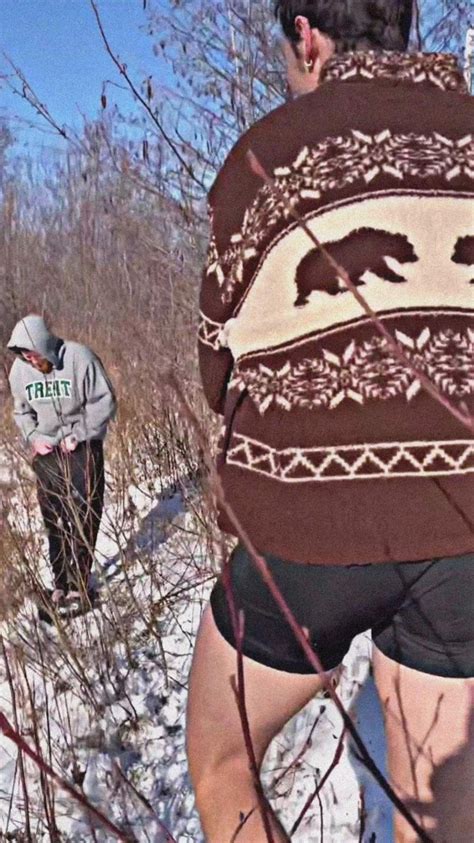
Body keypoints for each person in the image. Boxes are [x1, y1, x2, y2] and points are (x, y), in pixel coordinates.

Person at [187, 1, 474, 840]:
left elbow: (216, 366)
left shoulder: (263, 164)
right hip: (467, 524)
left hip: (305, 533)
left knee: (223, 761)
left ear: (307, 33)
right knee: (441, 820)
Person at [7, 314, 116, 616]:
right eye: (25, 355)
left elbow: (104, 402)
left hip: (82, 446)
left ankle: (80, 581)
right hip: (48, 451)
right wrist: (33, 436)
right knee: (54, 518)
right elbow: (21, 412)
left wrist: (80, 435)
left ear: (45, 346)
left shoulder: (79, 358)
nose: (31, 360)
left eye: (34, 354)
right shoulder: (19, 372)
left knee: (86, 513)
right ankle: (59, 584)